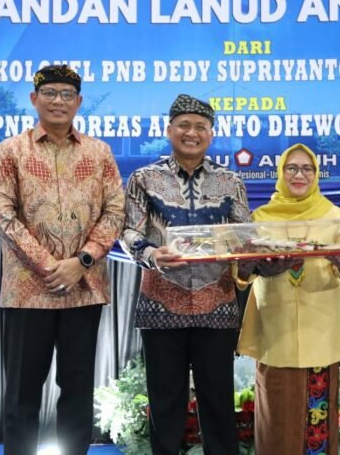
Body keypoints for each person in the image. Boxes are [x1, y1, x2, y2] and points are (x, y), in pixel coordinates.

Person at [0, 64, 125, 455]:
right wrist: (50, 266)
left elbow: (116, 211)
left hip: (84, 288)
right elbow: (0, 213)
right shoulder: (11, 151)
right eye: (50, 93)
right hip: (28, 291)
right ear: (34, 99)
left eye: (66, 94)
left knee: (78, 390)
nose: (58, 101)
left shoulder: (99, 152)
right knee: (21, 393)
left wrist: (82, 261)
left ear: (78, 102)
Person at [121, 94, 250, 454]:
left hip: (217, 305)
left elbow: (244, 235)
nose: (192, 133)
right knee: (164, 405)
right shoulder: (144, 179)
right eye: (184, 125)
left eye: (200, 127)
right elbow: (129, 230)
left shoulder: (230, 181)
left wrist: (258, 255)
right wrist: (150, 254)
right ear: (169, 130)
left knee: (218, 403)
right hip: (160, 304)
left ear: (211, 134)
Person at [235, 143, 340, 455]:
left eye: (307, 168)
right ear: (281, 173)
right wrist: (254, 266)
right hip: (274, 331)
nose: (299, 175)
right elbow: (240, 274)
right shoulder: (260, 218)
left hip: (320, 332)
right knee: (275, 421)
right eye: (291, 168)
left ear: (316, 174)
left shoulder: (334, 216)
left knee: (316, 425)